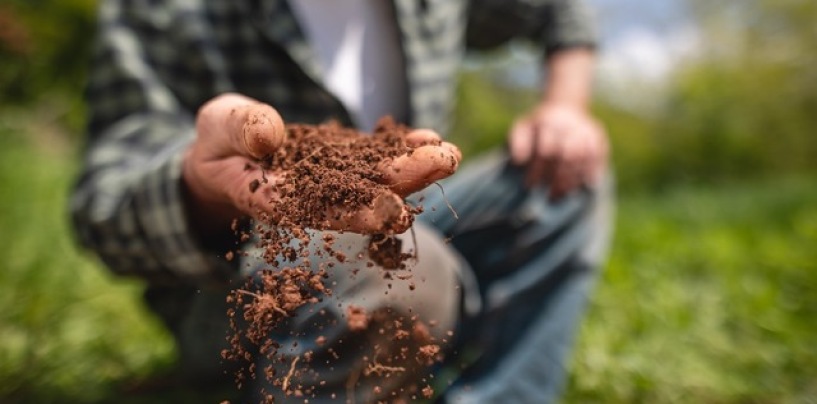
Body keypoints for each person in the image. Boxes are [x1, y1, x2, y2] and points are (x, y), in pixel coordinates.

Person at [70, 0, 613, 402]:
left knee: (564, 175)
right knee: (405, 272)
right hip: (240, 277)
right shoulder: (169, 10)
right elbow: (104, 203)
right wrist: (203, 185)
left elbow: (557, 10)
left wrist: (565, 106)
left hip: (408, 219)